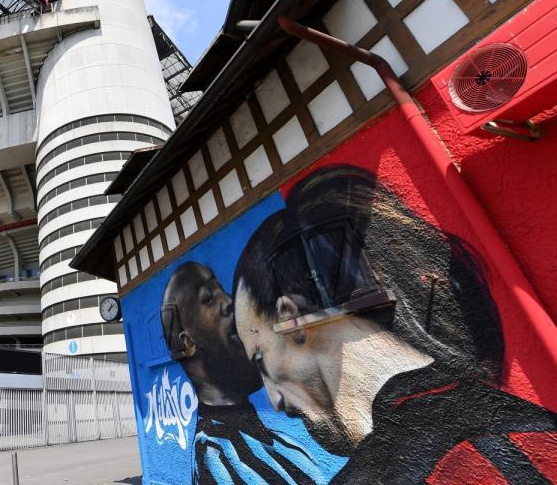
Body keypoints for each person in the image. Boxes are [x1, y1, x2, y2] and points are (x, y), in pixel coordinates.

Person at [233, 165, 557, 483]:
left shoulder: (399, 470)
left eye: (260, 359)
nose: (275, 401)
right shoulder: (528, 425)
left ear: (291, 317)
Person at [162, 261, 329, 484]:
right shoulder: (214, 456)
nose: (228, 301)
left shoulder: (283, 443)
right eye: (209, 299)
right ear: (187, 342)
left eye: (221, 289)